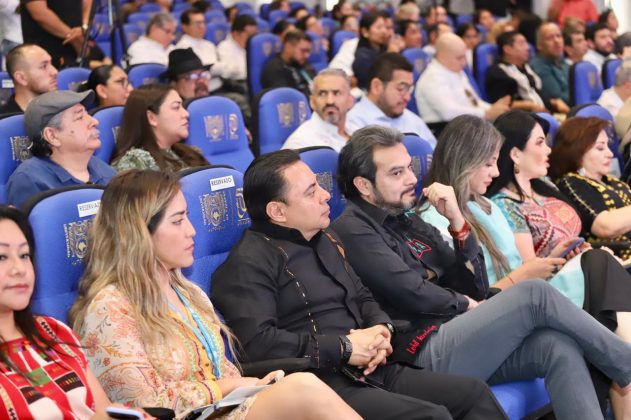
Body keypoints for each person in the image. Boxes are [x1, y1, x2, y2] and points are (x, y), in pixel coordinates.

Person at [332, 122, 631, 419]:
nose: (412, 178)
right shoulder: (353, 229)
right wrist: (466, 304)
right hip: (419, 350)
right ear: (363, 185)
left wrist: (458, 222)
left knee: (557, 346)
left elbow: (473, 285)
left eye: (410, 167)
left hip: (459, 333)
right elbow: (411, 292)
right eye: (397, 173)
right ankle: (626, 363)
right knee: (534, 293)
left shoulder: (405, 217)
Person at [212, 149, 508, 420]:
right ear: (278, 211)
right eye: (311, 192)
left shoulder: (325, 238)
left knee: (474, 394)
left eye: (320, 186)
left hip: (373, 366)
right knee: (433, 416)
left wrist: (382, 330)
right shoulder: (247, 263)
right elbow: (258, 344)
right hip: (323, 384)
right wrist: (345, 347)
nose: (325, 196)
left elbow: (363, 296)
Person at [70, 170, 361, 419]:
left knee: (299, 391)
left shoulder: (189, 292)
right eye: (177, 221)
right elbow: (142, 403)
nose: (192, 231)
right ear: (137, 233)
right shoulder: (110, 308)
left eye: (187, 217)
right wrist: (228, 387)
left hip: (222, 410)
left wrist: (254, 384)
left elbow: (222, 370)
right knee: (303, 389)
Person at [0, 205, 136, 419]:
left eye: (24, 255)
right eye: (2, 257)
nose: (20, 269)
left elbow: (105, 411)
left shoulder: (53, 331)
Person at [7, 90, 115, 209]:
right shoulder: (30, 180)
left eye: (87, 113)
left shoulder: (102, 169)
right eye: (80, 117)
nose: (94, 121)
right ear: (52, 136)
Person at [551, 117, 631, 261]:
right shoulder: (571, 183)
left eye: (608, 146)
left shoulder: (613, 182)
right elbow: (606, 226)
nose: (610, 154)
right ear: (578, 151)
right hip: (615, 263)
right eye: (600, 148)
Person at [416, 33, 510, 125]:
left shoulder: (456, 71)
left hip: (466, 124)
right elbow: (448, 113)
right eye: (459, 58)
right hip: (444, 128)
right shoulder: (432, 78)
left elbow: (474, 102)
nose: (464, 63)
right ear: (442, 56)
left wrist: (495, 109)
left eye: (464, 56)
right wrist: (486, 113)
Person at [347, 53, 436, 147]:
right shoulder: (354, 124)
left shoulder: (413, 120)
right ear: (376, 86)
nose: (407, 97)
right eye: (401, 89)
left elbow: (435, 152)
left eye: (409, 89)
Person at [112, 85, 208, 173]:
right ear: (151, 118)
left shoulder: (189, 152)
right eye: (176, 107)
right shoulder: (135, 162)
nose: (186, 114)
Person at [282, 69, 357, 152]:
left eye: (337, 93)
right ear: (312, 102)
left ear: (351, 100)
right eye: (322, 94)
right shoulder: (301, 143)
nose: (330, 101)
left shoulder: (356, 129)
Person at [484, 31, 549, 113]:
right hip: (523, 117)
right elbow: (501, 104)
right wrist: (529, 105)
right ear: (507, 49)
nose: (528, 48)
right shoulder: (498, 72)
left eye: (526, 43)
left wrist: (554, 103)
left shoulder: (527, 67)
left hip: (545, 113)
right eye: (522, 44)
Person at [21, 0, 88, 68]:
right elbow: (39, 13)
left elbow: (88, 3)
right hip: (46, 50)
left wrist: (84, 27)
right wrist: (73, 38)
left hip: (78, 48)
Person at [0, 44, 57, 116]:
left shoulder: (62, 110)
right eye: (44, 66)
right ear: (21, 78)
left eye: (51, 63)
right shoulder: (5, 121)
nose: (55, 72)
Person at [261, 30, 316, 99]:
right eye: (303, 50)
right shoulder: (274, 69)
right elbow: (287, 98)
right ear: (288, 47)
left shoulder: (302, 63)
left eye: (308, 51)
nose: (307, 56)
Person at [352, 11, 397, 90]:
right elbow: (377, 79)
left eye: (385, 27)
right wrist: (390, 56)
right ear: (365, 32)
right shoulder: (362, 56)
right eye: (379, 27)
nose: (384, 31)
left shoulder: (383, 49)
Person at [530, 22, 571, 107]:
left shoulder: (564, 62)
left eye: (559, 36)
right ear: (539, 45)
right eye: (550, 38)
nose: (556, 41)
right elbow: (558, 97)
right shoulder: (538, 66)